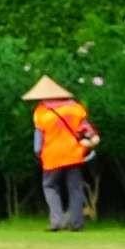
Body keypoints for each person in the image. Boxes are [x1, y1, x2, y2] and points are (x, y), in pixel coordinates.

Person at [26, 76, 100, 232]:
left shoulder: (41, 112)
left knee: (50, 186)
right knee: (75, 188)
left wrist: (38, 154)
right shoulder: (75, 108)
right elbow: (87, 130)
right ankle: (77, 223)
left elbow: (38, 142)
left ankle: (57, 222)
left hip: (52, 156)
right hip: (74, 154)